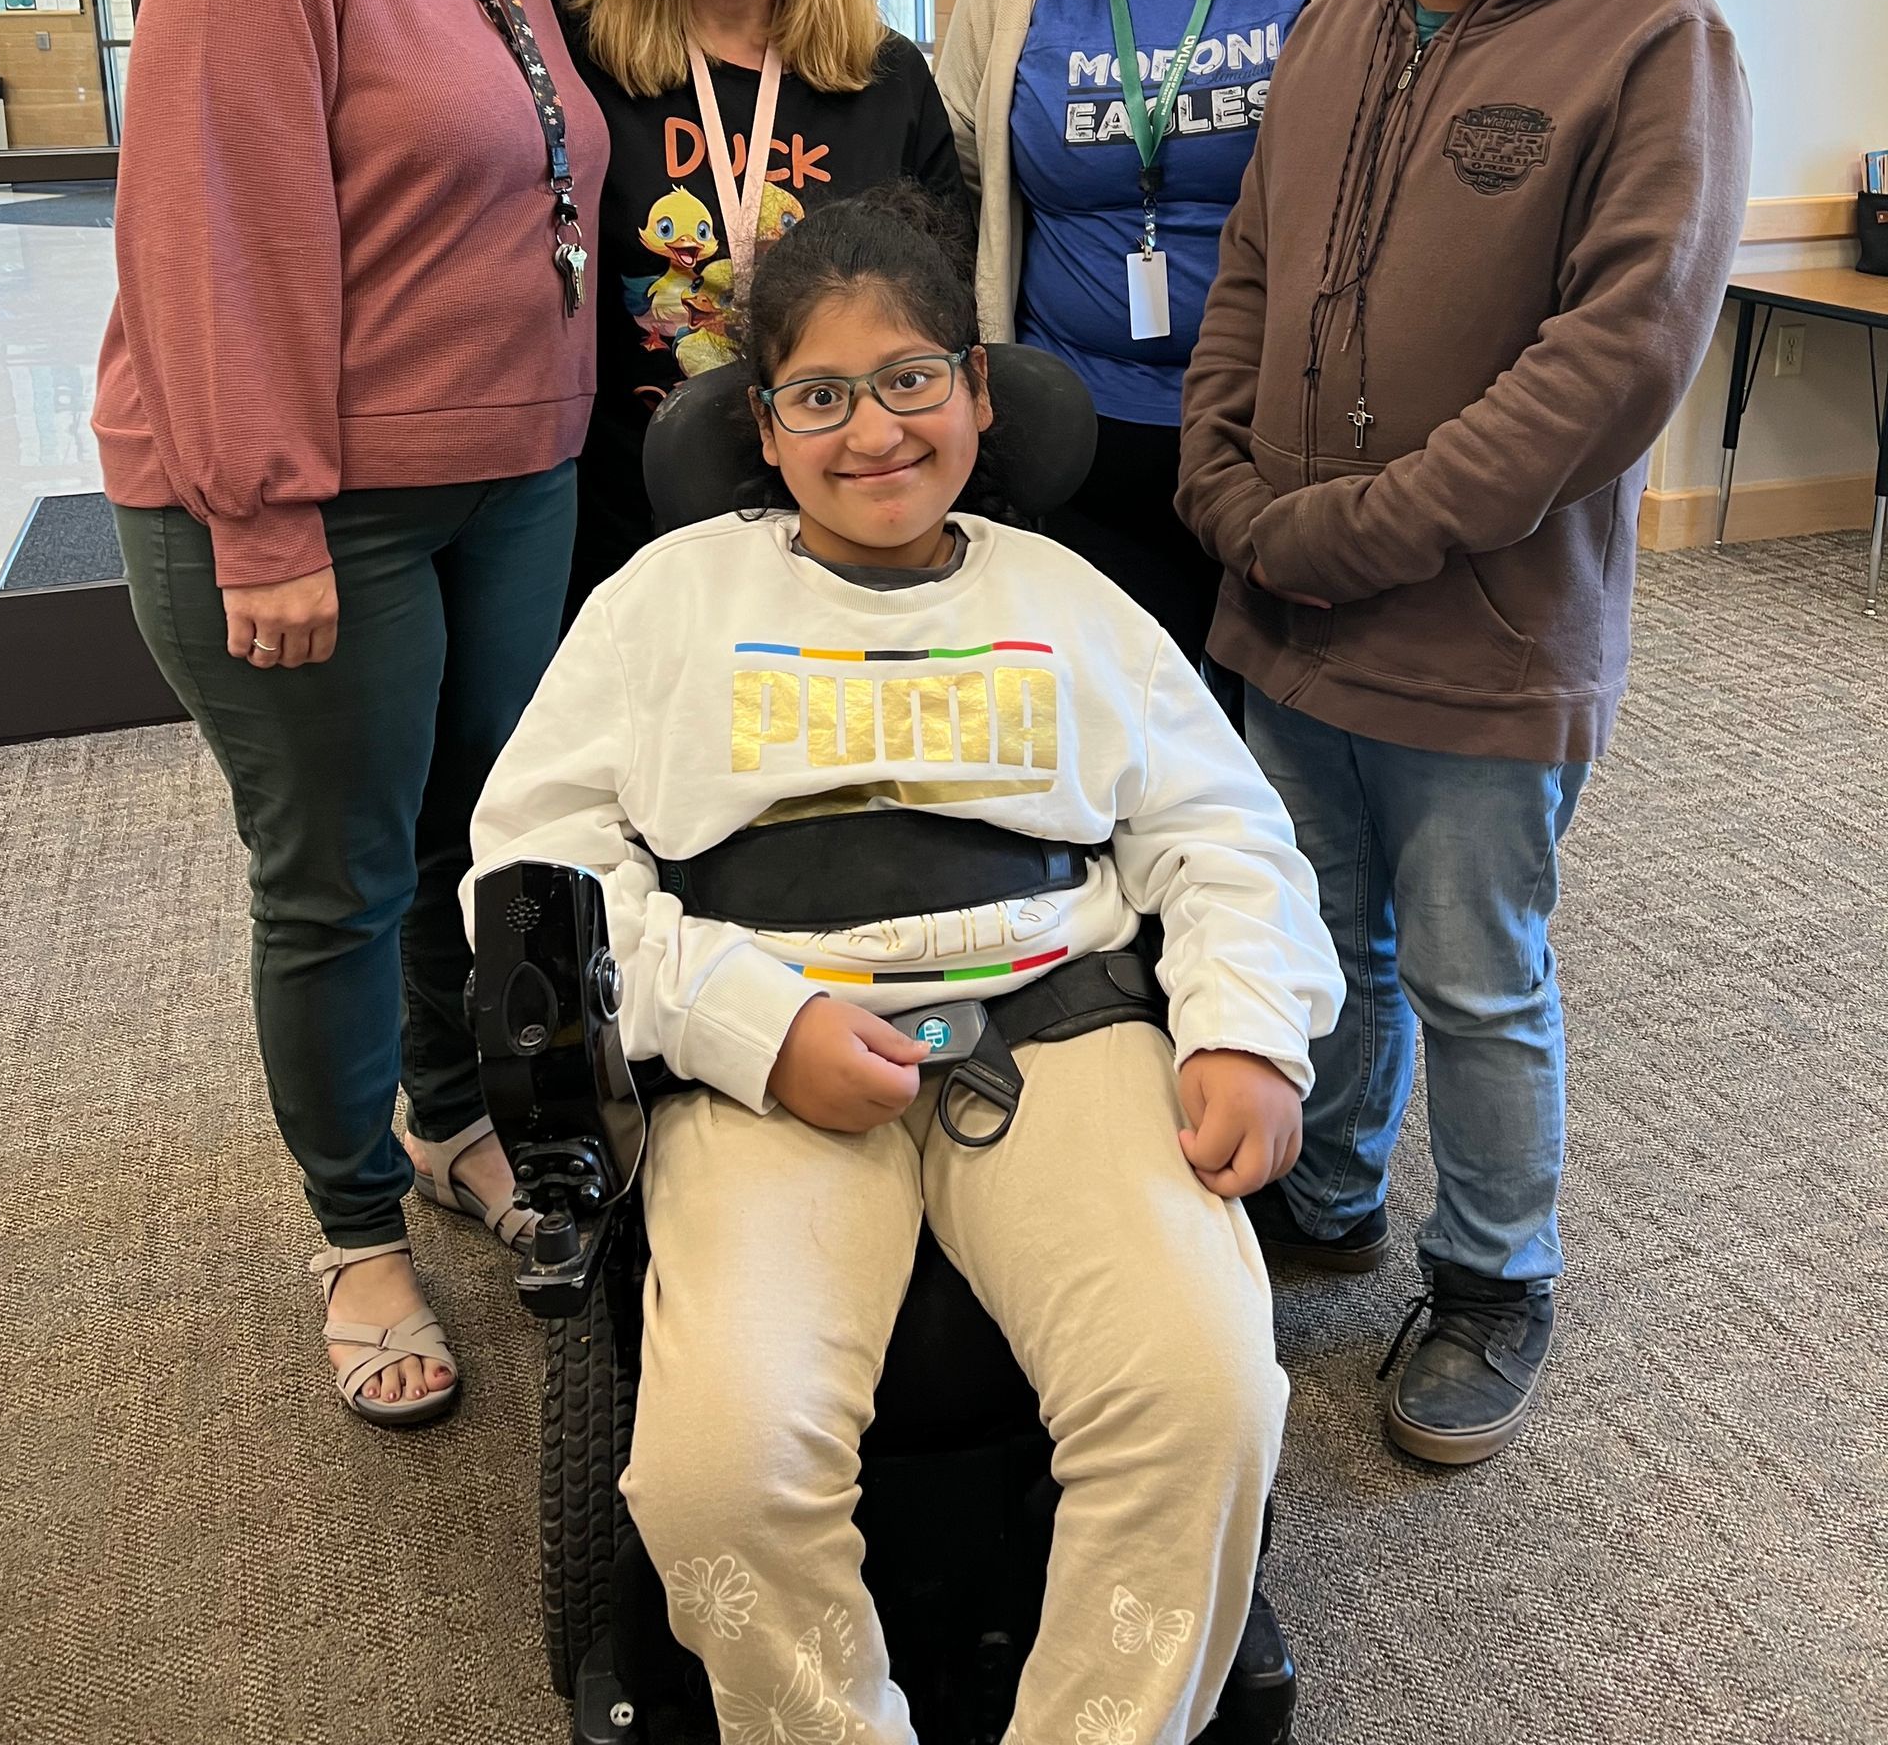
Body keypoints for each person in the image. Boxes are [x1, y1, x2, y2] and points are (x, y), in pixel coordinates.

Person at [464, 189, 1344, 1745]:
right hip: (771, 1040)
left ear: (978, 393)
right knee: (719, 1466)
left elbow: (1225, 834)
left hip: (1058, 1029)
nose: (871, 430)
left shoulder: (1071, 601)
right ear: (763, 427)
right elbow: (535, 876)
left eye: (911, 379)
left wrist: (1248, 1032)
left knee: (1207, 1398)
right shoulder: (666, 605)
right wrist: (745, 1021)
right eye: (819, 394)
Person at [1178, 0, 1752, 1467]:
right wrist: (1218, 468)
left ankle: (1498, 1273)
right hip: (1288, 616)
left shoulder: (1656, 40)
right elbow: (1252, 276)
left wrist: (1358, 526)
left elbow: (1614, 363)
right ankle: (1332, 1194)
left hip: (1486, 636)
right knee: (1311, 940)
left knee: (1472, 974)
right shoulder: (1337, 28)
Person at [95, 0, 610, 1427]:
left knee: (470, 847)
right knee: (333, 877)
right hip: (321, 502)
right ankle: (352, 1228)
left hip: (505, 475)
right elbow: (207, 226)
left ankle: (453, 1110)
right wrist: (260, 510)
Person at [936, 0, 1379, 665]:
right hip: (1076, 430)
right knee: (1108, 724)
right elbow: (968, 159)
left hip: (1284, 429)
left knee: (1270, 738)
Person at [552, 0, 967, 609]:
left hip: (843, 519)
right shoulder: (573, 50)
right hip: (625, 522)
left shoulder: (884, 74)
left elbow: (938, 301)